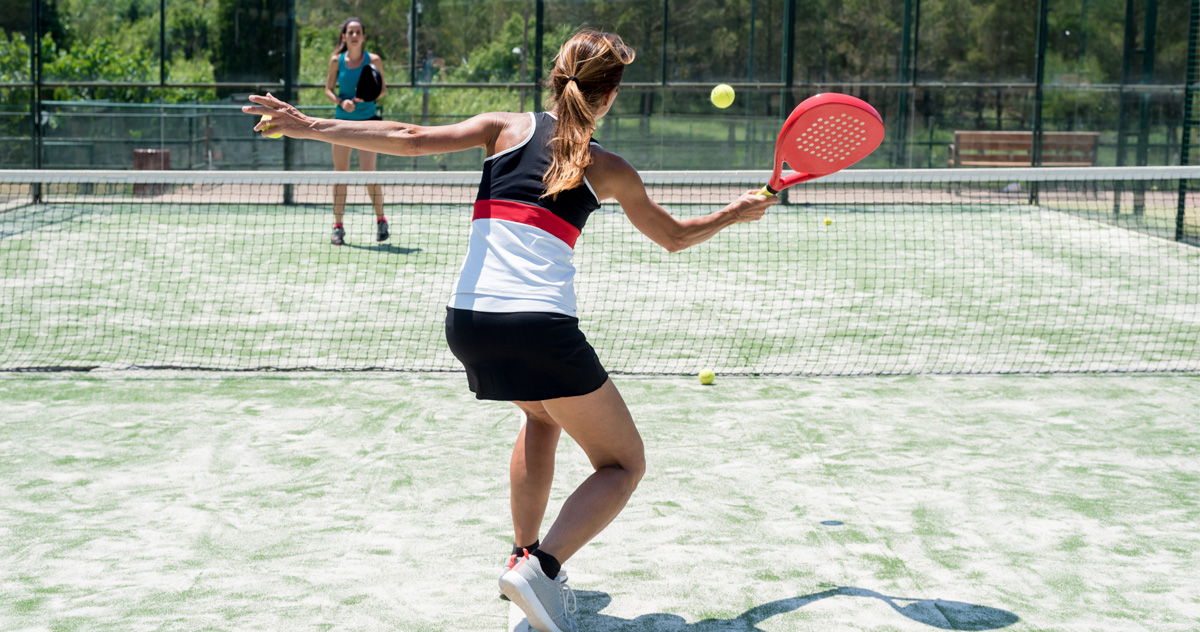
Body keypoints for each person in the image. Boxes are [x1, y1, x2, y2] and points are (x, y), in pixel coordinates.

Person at [245, 29, 775, 632]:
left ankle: (522, 554)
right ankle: (542, 567)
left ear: (555, 78)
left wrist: (307, 125)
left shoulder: (504, 127)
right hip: (536, 326)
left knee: (541, 414)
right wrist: (734, 212)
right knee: (623, 465)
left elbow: (410, 137)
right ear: (610, 95)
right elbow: (675, 237)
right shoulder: (609, 168)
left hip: (468, 322)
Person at [324, 17, 388, 245]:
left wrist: (366, 97)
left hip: (368, 124)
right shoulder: (336, 61)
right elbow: (329, 90)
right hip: (341, 125)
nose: (354, 35)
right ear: (344, 36)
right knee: (340, 176)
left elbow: (381, 91)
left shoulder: (374, 60)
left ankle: (381, 220)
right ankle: (338, 227)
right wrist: (342, 103)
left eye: (358, 32)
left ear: (363, 37)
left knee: (368, 174)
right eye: (350, 32)